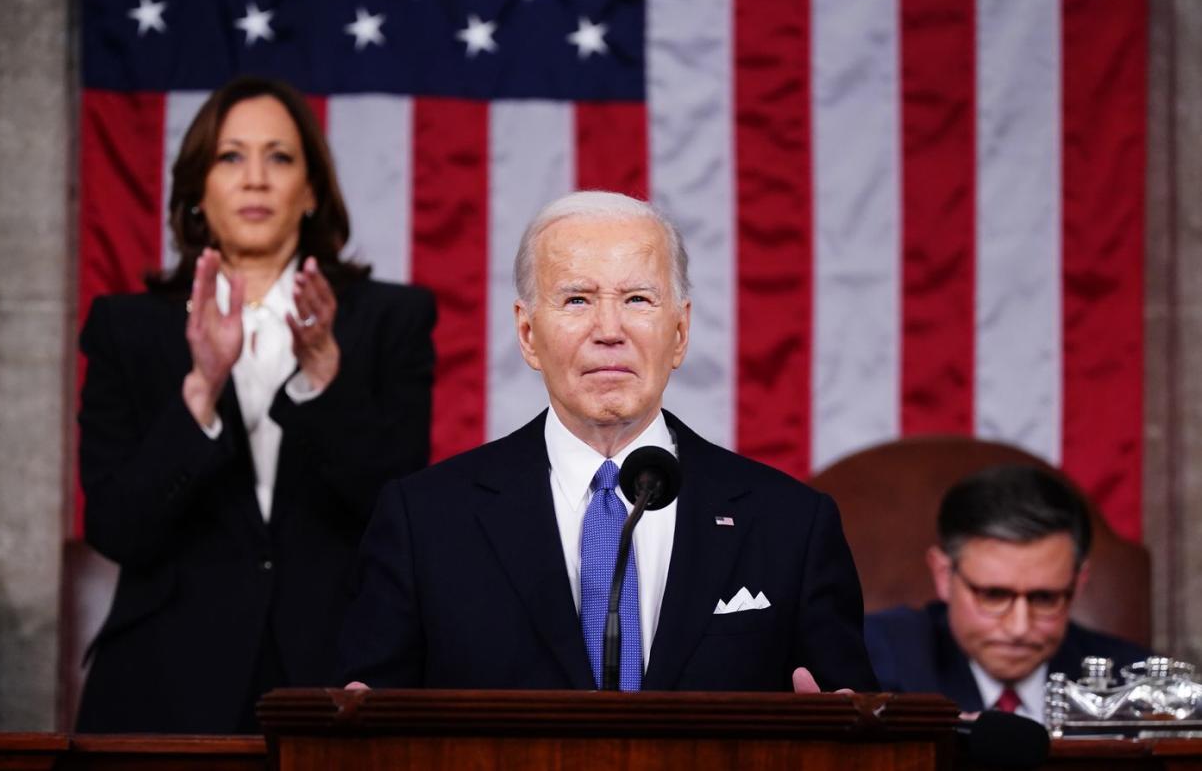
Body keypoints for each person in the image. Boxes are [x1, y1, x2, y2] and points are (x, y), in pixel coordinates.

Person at [340, 190, 876, 693]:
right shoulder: (426, 522)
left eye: (638, 298)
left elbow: (857, 727)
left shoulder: (790, 526)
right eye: (576, 300)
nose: (609, 330)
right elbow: (369, 729)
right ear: (528, 334)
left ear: (680, 333)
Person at [75, 76, 436, 733]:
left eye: (280, 157)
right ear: (196, 192)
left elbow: (398, 514)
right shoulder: (127, 328)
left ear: (312, 191)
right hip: (164, 684)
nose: (256, 179)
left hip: (334, 676)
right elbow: (117, 528)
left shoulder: (391, 319)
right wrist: (199, 395)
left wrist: (325, 380)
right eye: (230, 156)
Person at [864, 465, 1148, 722]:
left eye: (1044, 598)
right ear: (943, 576)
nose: (1019, 628)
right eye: (994, 595)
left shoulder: (1134, 685)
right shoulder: (877, 663)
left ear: (1078, 583)